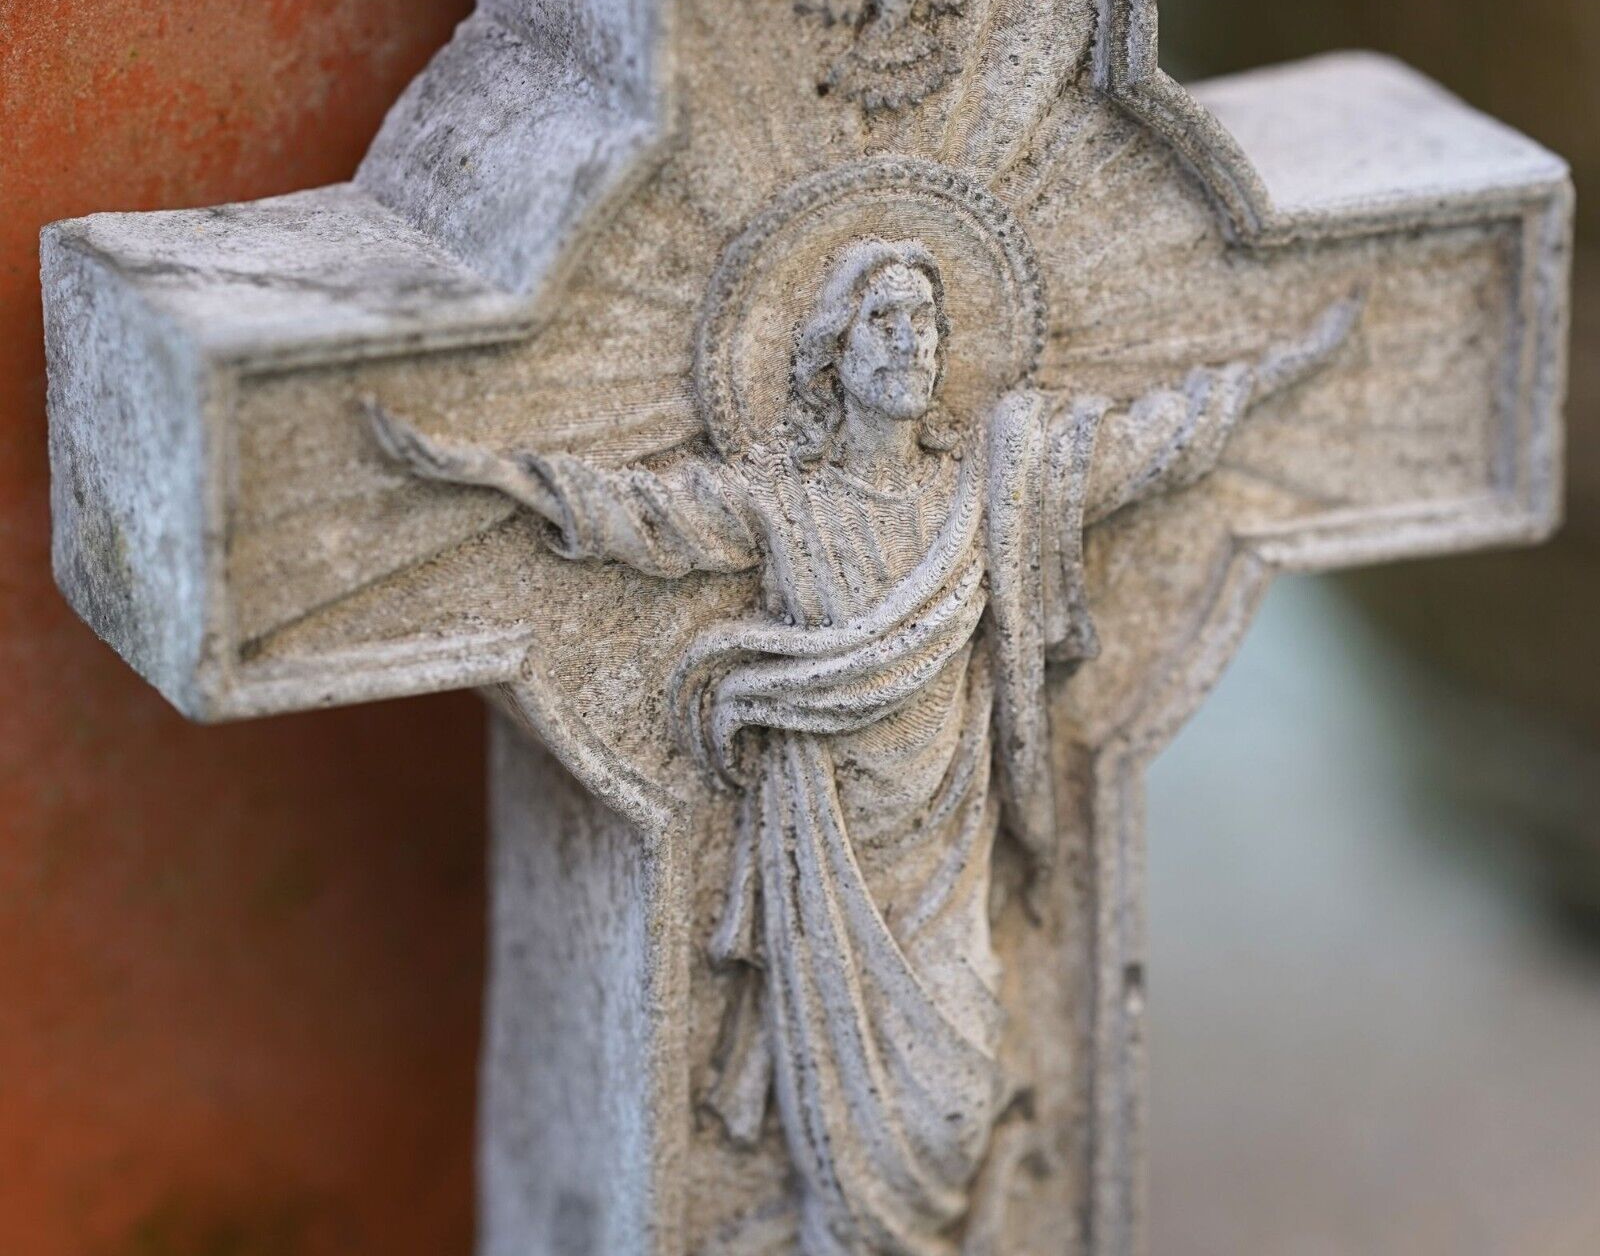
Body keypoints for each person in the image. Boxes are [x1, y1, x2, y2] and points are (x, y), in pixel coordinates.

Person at [369, 238, 1356, 1256]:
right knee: (837, 1136)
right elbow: (646, 516)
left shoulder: (996, 484)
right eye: (881, 322)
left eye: (923, 322)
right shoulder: (785, 503)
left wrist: (1279, 366)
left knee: (955, 1105)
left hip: (945, 854)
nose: (907, 343)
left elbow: (1151, 440)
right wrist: (486, 473)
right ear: (829, 354)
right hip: (830, 863)